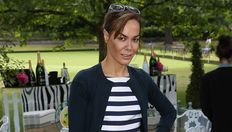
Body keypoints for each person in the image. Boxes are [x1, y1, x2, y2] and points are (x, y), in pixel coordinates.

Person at [68, 3, 176, 132]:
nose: (130, 47)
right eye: (122, 38)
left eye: (135, 39)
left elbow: (169, 112)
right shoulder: (84, 81)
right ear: (106, 36)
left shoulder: (141, 78)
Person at [200, 35, 232, 132]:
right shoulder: (207, 79)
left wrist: (217, 118)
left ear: (218, 54)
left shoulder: (207, 79)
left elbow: (205, 107)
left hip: (218, 126)